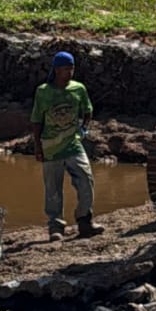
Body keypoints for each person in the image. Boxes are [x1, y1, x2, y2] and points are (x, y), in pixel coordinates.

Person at [31, 51, 104, 244]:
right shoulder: (44, 91)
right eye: (65, 69)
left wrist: (83, 130)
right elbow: (37, 120)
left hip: (73, 144)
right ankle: (56, 226)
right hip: (51, 146)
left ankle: (85, 221)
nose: (69, 72)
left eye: (72, 68)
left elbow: (88, 111)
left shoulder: (78, 89)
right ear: (56, 70)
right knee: (53, 188)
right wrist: (38, 146)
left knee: (86, 179)